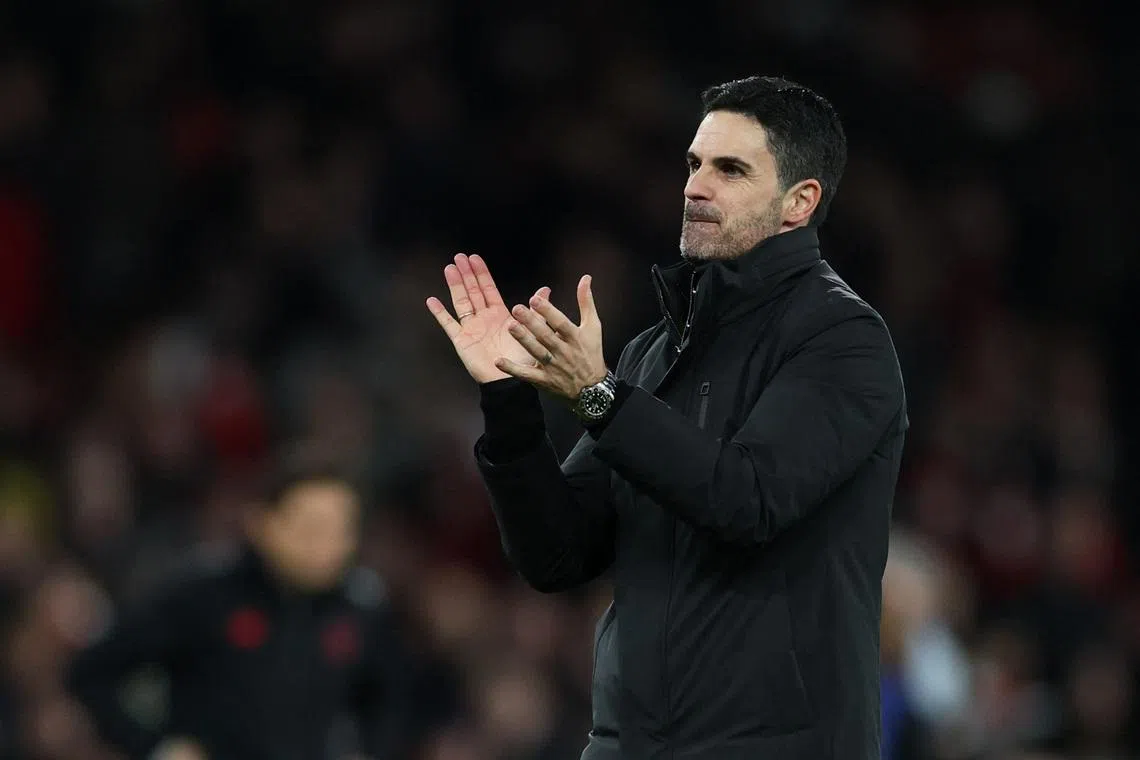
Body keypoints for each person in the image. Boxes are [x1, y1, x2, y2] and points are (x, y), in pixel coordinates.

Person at [426, 75, 908, 759]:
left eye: (730, 169)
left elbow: (747, 499)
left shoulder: (842, 340)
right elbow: (558, 554)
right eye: (694, 164)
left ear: (799, 202)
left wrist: (599, 397)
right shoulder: (656, 352)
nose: (695, 186)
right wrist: (509, 400)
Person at [66, 451, 414, 760]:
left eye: (342, 531)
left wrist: (369, 750)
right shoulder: (205, 596)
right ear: (262, 524)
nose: (329, 546)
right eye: (312, 529)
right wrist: (155, 747)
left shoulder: (360, 607)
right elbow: (92, 671)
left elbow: (391, 697)